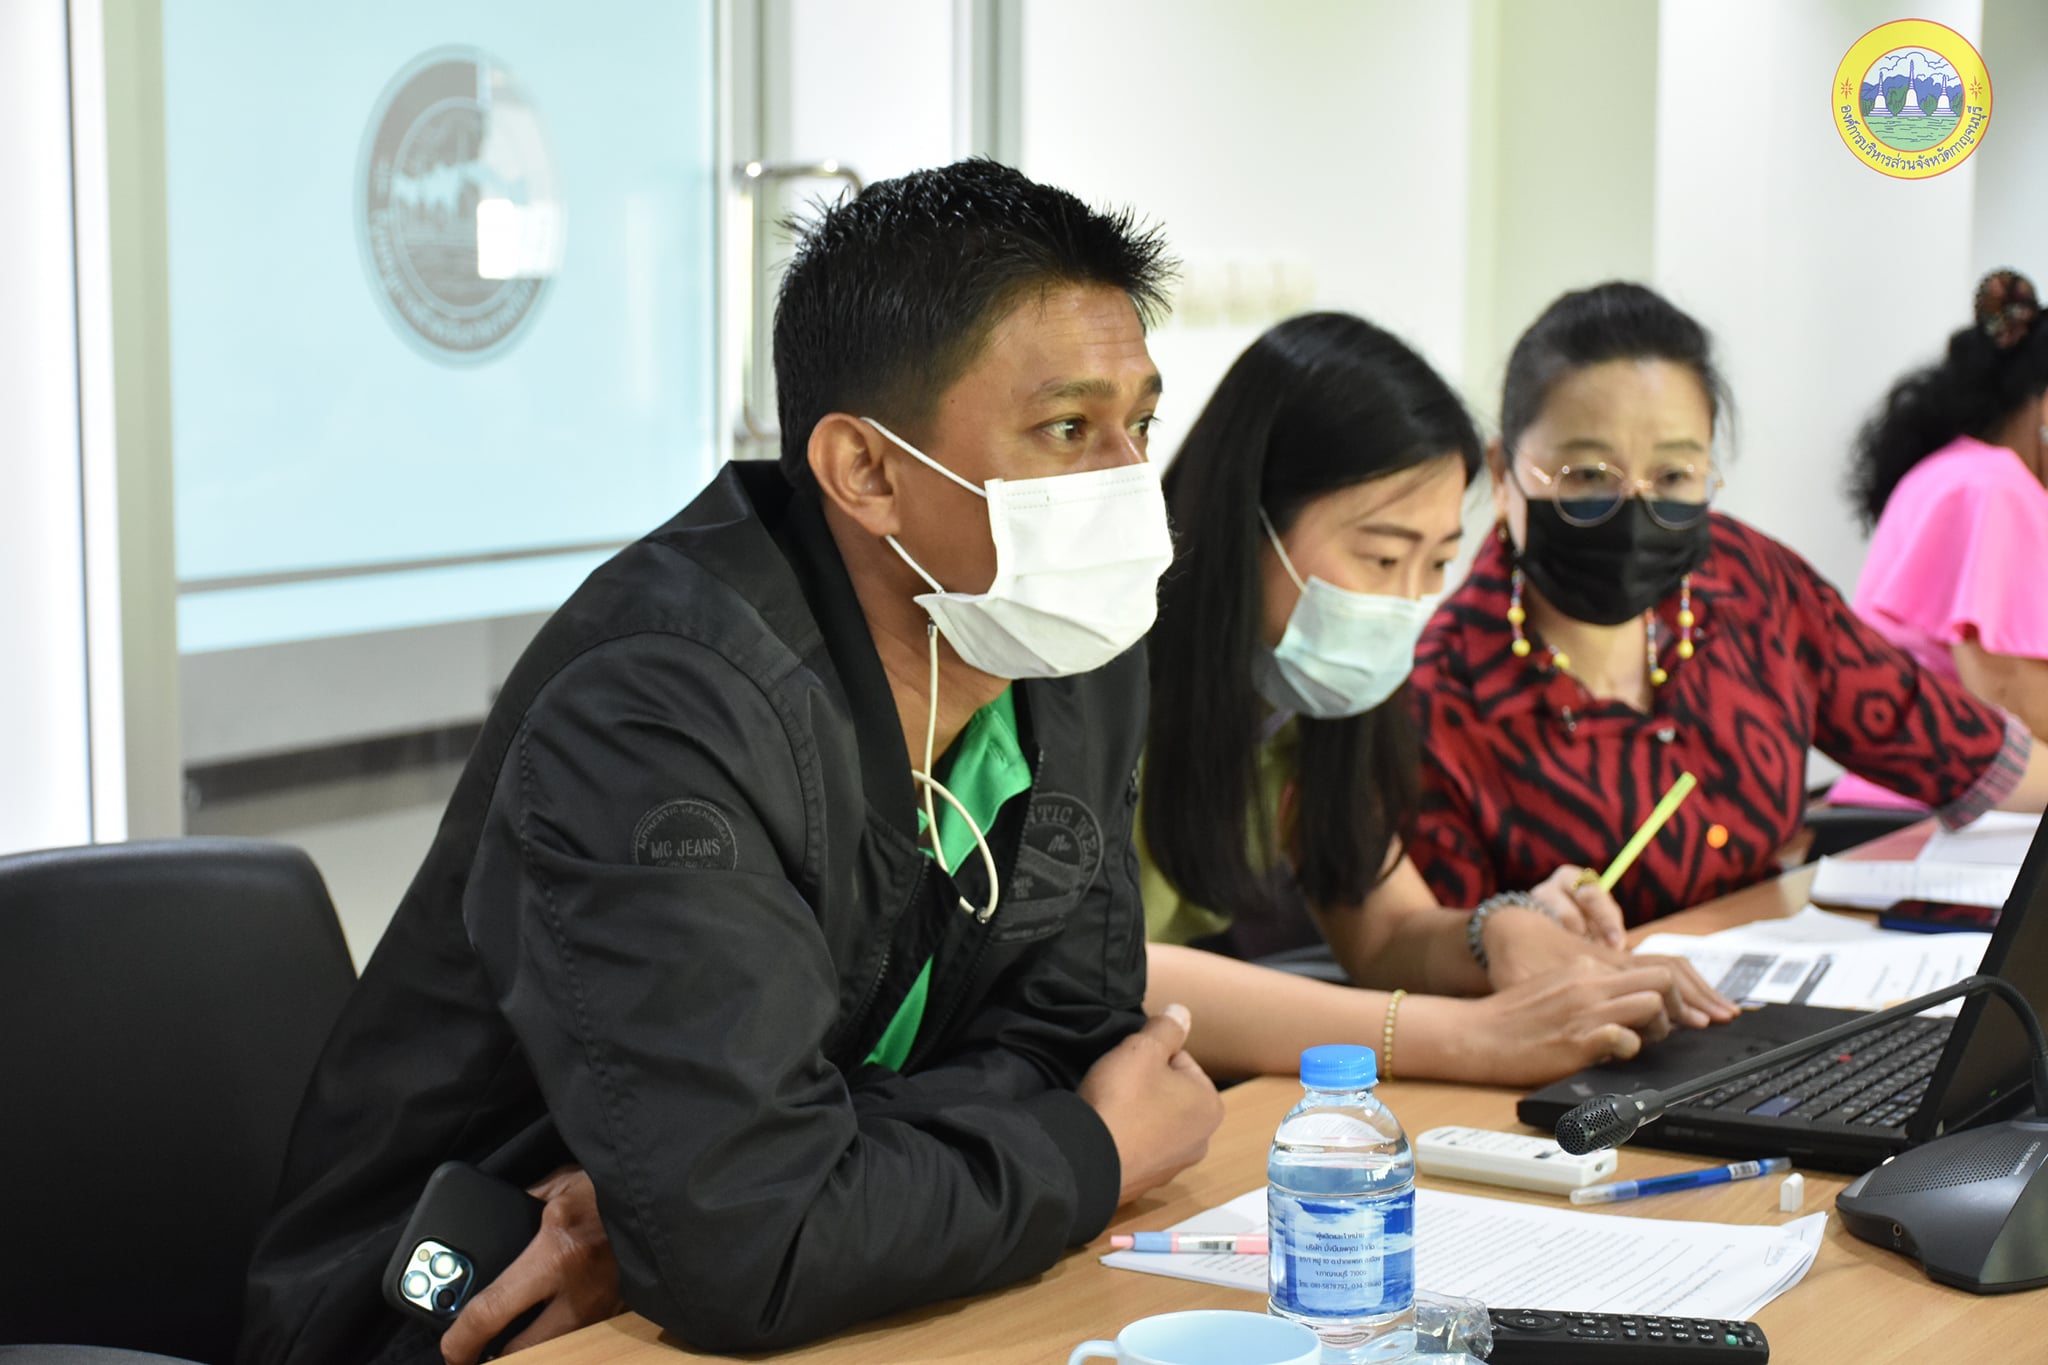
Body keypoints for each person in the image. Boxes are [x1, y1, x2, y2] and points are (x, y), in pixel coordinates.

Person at [236, 159, 1223, 1365]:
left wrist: (746, 1189)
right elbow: (760, 1238)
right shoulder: (657, 710)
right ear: (866, 472)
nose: (1127, 484)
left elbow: (1071, 1046)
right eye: (1067, 429)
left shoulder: (1063, 653)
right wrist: (1091, 1154)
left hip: (758, 1296)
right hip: (468, 1314)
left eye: (1138, 425)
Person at [1136, 313, 1732, 1086]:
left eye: (1439, 561)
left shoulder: (1298, 702)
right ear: (1245, 522)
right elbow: (1108, 969)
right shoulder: (1103, 684)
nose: (1408, 601)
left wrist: (1498, 930)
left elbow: (1384, 932)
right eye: (1383, 556)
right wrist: (1469, 1036)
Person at [1404, 282, 2048, 929]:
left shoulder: (1750, 584)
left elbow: (1952, 741)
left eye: (1673, 476)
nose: (1634, 509)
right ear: (1502, 472)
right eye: (1588, 475)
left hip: (1783, 968)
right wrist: (1512, 930)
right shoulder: (1441, 697)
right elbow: (1434, 953)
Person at [1828, 268, 2048, 810]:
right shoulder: (1995, 488)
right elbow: (2005, 691)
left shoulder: (1955, 470)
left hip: (1899, 798)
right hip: (1933, 812)